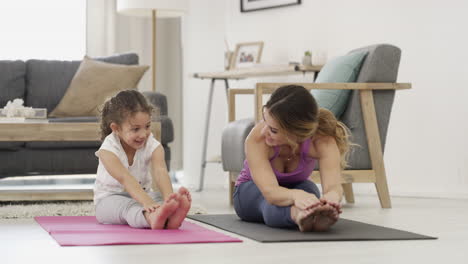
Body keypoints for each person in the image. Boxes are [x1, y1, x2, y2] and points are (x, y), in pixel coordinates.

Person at [233, 85, 351, 232]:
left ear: (296, 134)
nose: (264, 131)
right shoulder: (257, 139)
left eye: (273, 130)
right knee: (270, 203)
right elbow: (270, 192)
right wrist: (296, 195)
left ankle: (310, 213)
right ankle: (298, 214)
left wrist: (331, 198)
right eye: (265, 120)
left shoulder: (322, 142)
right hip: (251, 191)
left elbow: (333, 186)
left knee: (310, 190)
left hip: (294, 186)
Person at [94, 90, 191, 229]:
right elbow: (124, 178)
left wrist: (169, 199)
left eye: (147, 126)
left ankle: (171, 217)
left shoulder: (151, 144)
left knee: (157, 198)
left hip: (142, 195)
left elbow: (160, 171)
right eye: (135, 129)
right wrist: (146, 201)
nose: (143, 134)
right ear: (116, 128)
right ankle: (151, 218)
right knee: (130, 207)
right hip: (108, 201)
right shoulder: (107, 150)